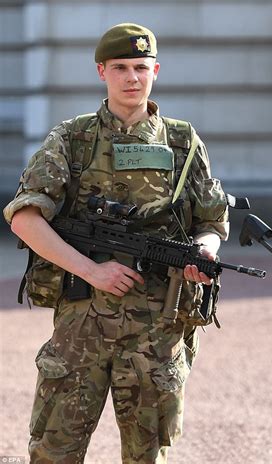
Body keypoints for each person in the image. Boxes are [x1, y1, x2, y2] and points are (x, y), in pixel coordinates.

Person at [3, 23, 229, 463]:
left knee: (149, 456)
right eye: (121, 68)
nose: (132, 78)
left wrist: (202, 251)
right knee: (54, 451)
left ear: (156, 71)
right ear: (101, 71)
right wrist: (92, 270)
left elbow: (212, 222)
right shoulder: (73, 138)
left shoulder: (182, 141)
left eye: (141, 68)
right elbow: (25, 219)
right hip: (82, 322)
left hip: (157, 328)